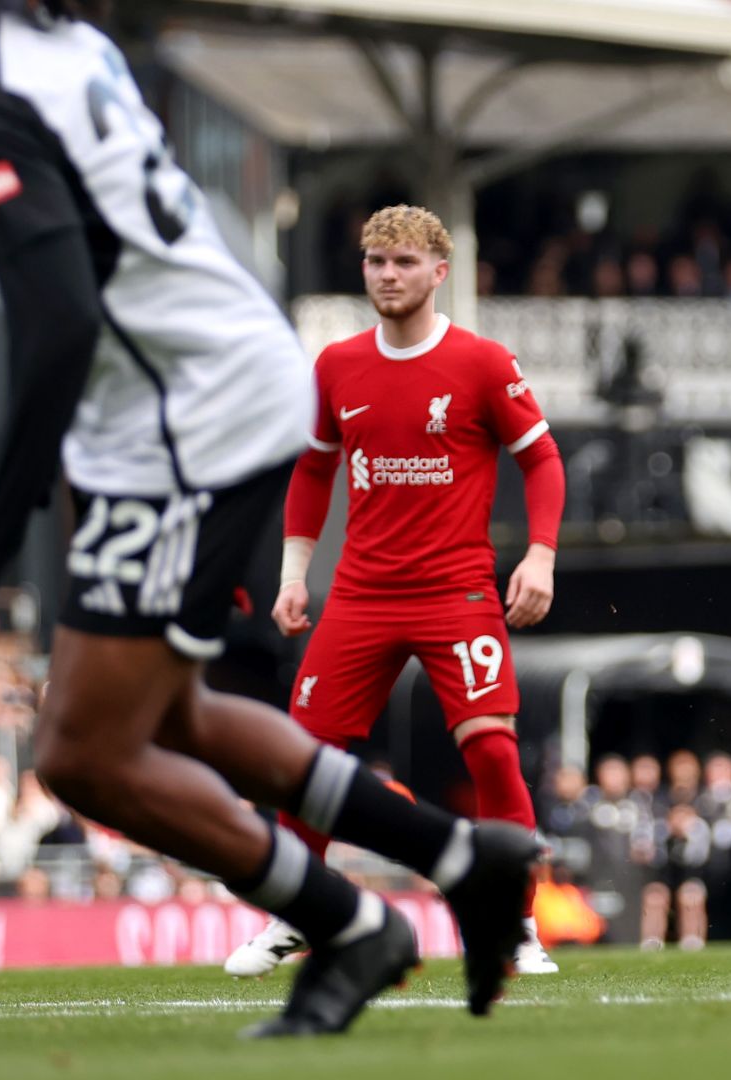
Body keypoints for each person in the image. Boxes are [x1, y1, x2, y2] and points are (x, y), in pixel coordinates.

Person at [0, 0, 537, 1036]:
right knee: (167, 717)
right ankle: (458, 861)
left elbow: (66, 320)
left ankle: (352, 925)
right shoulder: (56, 43)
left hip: (185, 418)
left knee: (83, 751)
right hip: (195, 395)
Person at [224, 204, 566, 978]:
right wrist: (291, 574)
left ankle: (514, 926)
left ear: (439, 273)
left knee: (491, 755)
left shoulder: (482, 363)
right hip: (360, 596)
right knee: (304, 761)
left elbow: (543, 462)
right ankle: (296, 916)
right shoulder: (338, 365)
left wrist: (539, 556)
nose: (387, 276)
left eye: (404, 263)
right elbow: (313, 470)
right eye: (376, 263)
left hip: (457, 593)